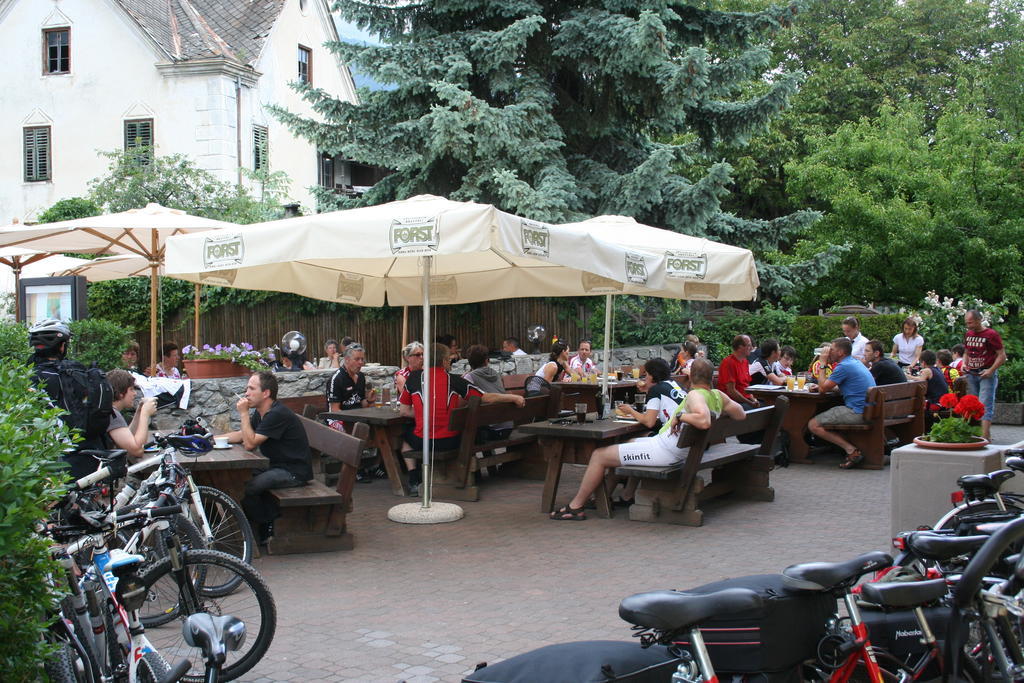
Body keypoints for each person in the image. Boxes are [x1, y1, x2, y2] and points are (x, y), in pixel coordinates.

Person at [550, 359, 744, 520]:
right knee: (626, 445)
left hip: (667, 451)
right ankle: (614, 496)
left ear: (691, 376)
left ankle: (576, 506)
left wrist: (680, 417)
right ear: (711, 377)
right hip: (677, 449)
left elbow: (703, 420)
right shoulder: (718, 396)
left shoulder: (694, 395)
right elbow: (741, 415)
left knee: (599, 455)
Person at [399, 343, 524, 495]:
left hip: (424, 442)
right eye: (449, 359)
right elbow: (485, 397)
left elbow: (404, 411)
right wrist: (513, 397)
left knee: (404, 435)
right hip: (451, 441)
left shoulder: (413, 379)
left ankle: (413, 479)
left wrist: (422, 413)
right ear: (444, 361)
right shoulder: (455, 380)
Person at [219, 371, 312, 545]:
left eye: (251, 388)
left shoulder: (276, 414)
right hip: (275, 465)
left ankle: (267, 522)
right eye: (247, 388)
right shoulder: (262, 412)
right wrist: (210, 439)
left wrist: (243, 414)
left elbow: (249, 443)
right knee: (238, 476)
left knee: (249, 488)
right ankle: (249, 520)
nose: (246, 393)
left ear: (266, 393)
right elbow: (242, 435)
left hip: (293, 471)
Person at [807, 337, 876, 469]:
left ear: (840, 352)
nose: (828, 352)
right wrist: (829, 386)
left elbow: (822, 389)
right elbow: (843, 385)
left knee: (813, 425)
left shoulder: (844, 366)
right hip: (867, 409)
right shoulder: (854, 362)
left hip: (857, 411)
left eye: (831, 349)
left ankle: (852, 450)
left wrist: (822, 363)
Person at [963, 309, 1007, 441]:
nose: (968, 325)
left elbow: (1002, 356)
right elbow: (966, 351)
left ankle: (985, 436)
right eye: (967, 323)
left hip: (986, 372)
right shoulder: (968, 334)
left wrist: (991, 370)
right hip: (971, 373)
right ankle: (974, 433)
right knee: (973, 404)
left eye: (970, 322)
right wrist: (964, 364)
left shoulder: (991, 334)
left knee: (985, 404)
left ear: (978, 320)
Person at [615, 358, 685, 431]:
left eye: (646, 374)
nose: (645, 378)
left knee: (629, 440)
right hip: (685, 432)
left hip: (673, 432)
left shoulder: (655, 390)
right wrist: (647, 390)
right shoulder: (675, 384)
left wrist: (630, 411)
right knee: (647, 434)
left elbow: (649, 422)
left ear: (652, 376)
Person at [104, 369, 158, 461]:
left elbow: (127, 438)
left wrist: (139, 412)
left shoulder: (109, 410)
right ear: (121, 393)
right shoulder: (111, 414)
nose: (135, 393)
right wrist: (145, 414)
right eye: (131, 389)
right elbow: (137, 450)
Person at [464, 344, 514, 440]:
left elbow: (463, 401)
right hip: (507, 427)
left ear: (469, 362)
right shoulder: (496, 374)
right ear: (486, 360)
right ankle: (487, 455)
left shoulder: (470, 377)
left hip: (490, 430)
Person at [327, 344, 377, 411]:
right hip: (340, 419)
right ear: (347, 359)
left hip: (358, 418)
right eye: (357, 359)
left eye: (362, 359)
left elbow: (361, 404)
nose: (361, 362)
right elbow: (335, 410)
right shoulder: (336, 379)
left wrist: (369, 401)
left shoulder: (361, 377)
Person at [717, 335, 758, 409]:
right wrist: (750, 403)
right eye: (748, 345)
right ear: (740, 347)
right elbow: (731, 391)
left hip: (745, 400)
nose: (751, 348)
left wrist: (754, 400)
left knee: (767, 405)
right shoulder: (728, 363)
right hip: (732, 402)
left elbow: (746, 385)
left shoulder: (745, 362)